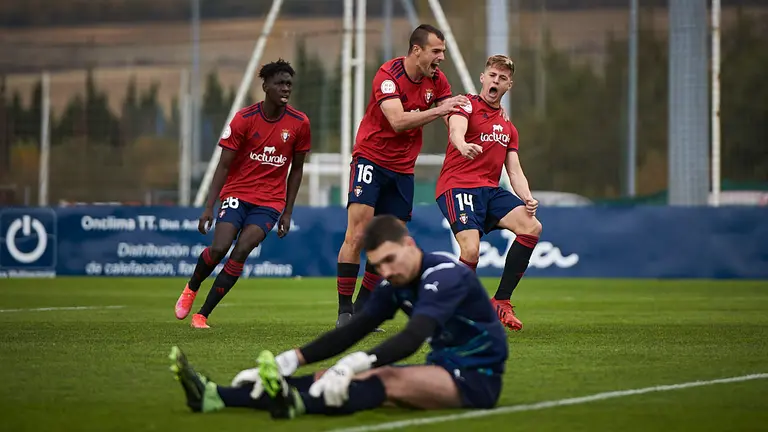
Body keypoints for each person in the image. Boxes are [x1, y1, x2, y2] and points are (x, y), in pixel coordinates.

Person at [169, 215, 508, 418]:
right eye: (379, 265)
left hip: (478, 378)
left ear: (410, 244)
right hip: (442, 367)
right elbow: (353, 330)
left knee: (381, 381)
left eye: (391, 259)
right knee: (329, 377)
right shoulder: (397, 281)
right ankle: (217, 395)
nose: (387, 271)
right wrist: (292, 359)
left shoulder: (446, 275)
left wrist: (354, 364)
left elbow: (413, 337)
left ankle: (295, 405)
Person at [336, 24, 470, 328]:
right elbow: (397, 121)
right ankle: (345, 311)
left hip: (402, 170)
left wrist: (462, 139)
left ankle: (364, 308)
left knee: (387, 240)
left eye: (444, 52)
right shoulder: (388, 75)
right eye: (437, 51)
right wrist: (440, 111)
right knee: (357, 234)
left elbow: (450, 117)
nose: (442, 58)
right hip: (370, 158)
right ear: (416, 50)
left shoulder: (437, 80)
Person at [174, 59, 311, 328]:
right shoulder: (244, 119)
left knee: (242, 249)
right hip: (237, 193)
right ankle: (191, 287)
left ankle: (202, 315)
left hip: (270, 202)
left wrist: (288, 211)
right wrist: (208, 208)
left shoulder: (299, 123)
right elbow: (223, 165)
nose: (285, 88)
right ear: (265, 86)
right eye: (280, 83)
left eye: (289, 84)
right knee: (220, 248)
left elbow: (296, 171)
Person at [435, 55, 542, 331]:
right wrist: (461, 145)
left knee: (532, 227)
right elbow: (456, 131)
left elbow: (514, 171)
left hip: (490, 190)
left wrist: (527, 196)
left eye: (502, 78)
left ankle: (502, 302)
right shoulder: (466, 104)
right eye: (492, 75)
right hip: (457, 184)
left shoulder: (508, 127)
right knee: (471, 250)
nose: (496, 80)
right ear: (483, 78)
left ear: (509, 85)